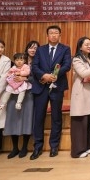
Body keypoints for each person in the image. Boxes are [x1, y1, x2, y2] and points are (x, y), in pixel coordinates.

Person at [30, 25, 72, 159]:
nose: (53, 35)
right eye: (51, 33)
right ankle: (37, 146)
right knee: (39, 117)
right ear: (47, 35)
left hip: (57, 86)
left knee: (56, 116)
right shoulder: (40, 50)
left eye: (56, 33)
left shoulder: (65, 49)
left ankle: (54, 146)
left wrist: (55, 75)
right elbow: (34, 66)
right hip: (41, 86)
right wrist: (44, 75)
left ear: (60, 35)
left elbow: (67, 65)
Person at [3, 40, 39, 159]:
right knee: (13, 117)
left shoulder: (39, 61)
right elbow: (8, 75)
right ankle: (14, 147)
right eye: (31, 47)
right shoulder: (18, 60)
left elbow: (38, 78)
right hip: (14, 92)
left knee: (27, 118)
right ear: (26, 49)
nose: (33, 50)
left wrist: (25, 78)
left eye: (35, 48)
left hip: (29, 93)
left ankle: (24, 147)